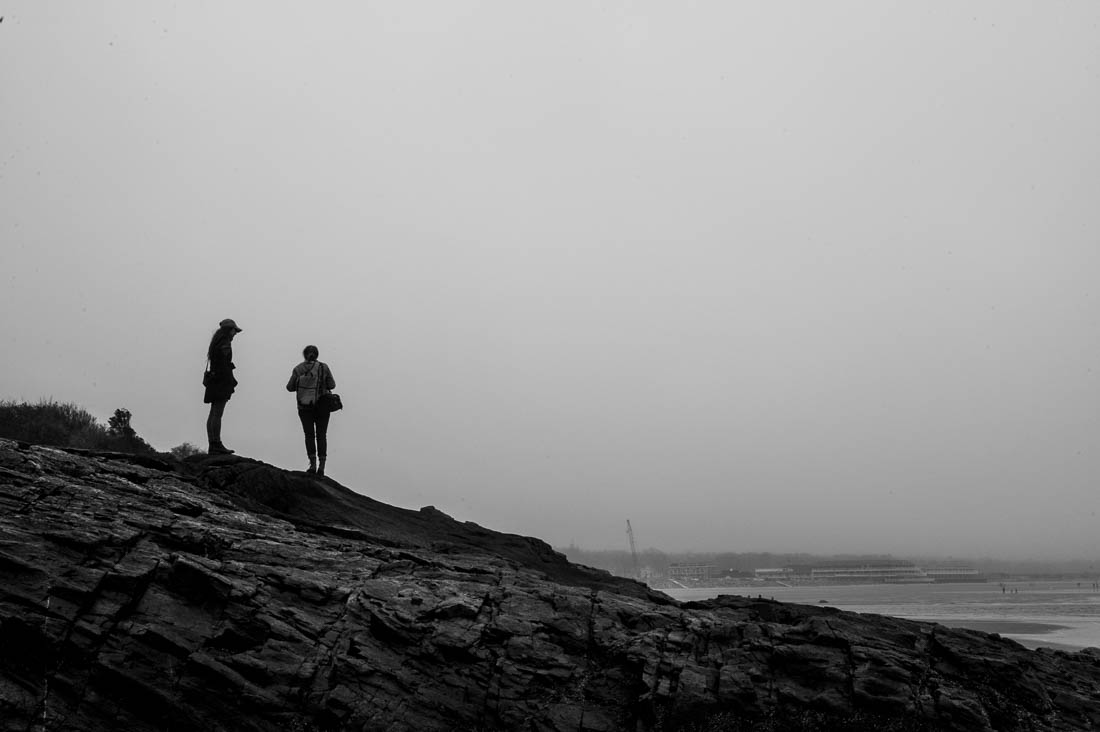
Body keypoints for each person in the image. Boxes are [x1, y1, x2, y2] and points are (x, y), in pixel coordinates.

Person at [286, 345, 336, 475]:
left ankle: (312, 465)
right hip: (322, 407)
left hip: (304, 407)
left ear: (304, 354)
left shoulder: (298, 369)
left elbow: (289, 387)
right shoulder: (323, 367)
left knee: (309, 435)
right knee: (321, 435)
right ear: (317, 354)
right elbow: (332, 385)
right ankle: (322, 468)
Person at [204, 318, 242, 455]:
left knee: (213, 412)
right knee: (217, 413)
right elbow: (224, 364)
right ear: (229, 331)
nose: (235, 334)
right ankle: (216, 444)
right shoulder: (225, 344)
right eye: (234, 331)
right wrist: (231, 380)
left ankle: (213, 443)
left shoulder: (215, 343)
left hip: (214, 381)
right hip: (221, 382)